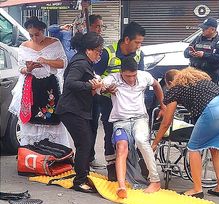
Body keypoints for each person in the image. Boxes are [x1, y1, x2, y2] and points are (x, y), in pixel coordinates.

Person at [151, 67, 219, 199]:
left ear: (169, 83)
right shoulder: (200, 80)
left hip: (214, 109)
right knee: (215, 147)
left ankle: (197, 189)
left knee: (193, 148)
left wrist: (155, 143)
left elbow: (166, 122)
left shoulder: (176, 88)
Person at [96, 56, 164, 198]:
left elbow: (157, 85)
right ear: (121, 73)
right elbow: (100, 86)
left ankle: (155, 180)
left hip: (140, 119)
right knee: (121, 147)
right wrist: (105, 89)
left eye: (134, 75)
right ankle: (122, 186)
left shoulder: (144, 76)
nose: (132, 79)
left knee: (141, 140)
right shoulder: (113, 79)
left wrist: (162, 105)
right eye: (128, 76)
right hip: (120, 121)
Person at [92, 21, 146, 181]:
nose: (139, 46)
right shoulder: (108, 53)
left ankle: (133, 168)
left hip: (131, 104)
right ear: (127, 40)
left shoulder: (139, 55)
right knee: (111, 134)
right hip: (109, 103)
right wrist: (106, 88)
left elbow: (141, 77)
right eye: (137, 42)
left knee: (136, 135)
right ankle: (112, 170)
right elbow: (94, 76)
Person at [8, 16, 69, 147]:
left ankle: (54, 151)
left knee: (51, 116)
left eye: (37, 34)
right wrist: (28, 68)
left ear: (43, 30)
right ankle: (33, 152)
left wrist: (46, 61)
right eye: (31, 35)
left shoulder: (55, 42)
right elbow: (21, 68)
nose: (35, 38)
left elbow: (63, 63)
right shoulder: (24, 46)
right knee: (31, 118)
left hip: (50, 86)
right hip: (31, 86)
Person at [56, 32, 104, 193]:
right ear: (88, 50)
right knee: (84, 143)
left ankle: (83, 174)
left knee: (86, 142)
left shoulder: (83, 61)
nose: (99, 54)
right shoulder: (80, 63)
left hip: (77, 109)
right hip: (71, 109)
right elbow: (70, 83)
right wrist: (90, 86)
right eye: (98, 51)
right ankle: (80, 181)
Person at [184, 17, 219, 83]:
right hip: (194, 74)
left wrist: (204, 55)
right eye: (202, 28)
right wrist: (191, 53)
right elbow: (185, 52)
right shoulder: (198, 38)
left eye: (205, 28)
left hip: (210, 76)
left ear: (213, 30)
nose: (202, 30)